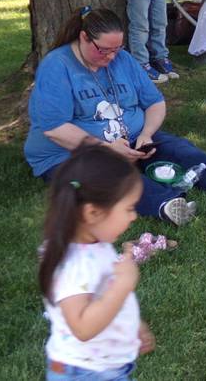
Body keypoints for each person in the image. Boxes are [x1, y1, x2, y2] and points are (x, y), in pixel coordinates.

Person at [24, 7, 206, 227]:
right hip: (68, 154)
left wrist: (145, 135)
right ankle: (166, 204)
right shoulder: (56, 66)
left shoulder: (122, 59)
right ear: (83, 37)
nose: (111, 57)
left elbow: (154, 102)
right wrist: (105, 149)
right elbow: (55, 129)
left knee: (178, 149)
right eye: (103, 50)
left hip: (128, 142)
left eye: (117, 49)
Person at [39, 144, 153, 380]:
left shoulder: (97, 245)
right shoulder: (73, 265)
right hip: (84, 373)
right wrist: (123, 286)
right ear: (92, 213)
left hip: (103, 366)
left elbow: (101, 295)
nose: (134, 216)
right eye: (129, 208)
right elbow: (82, 328)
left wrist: (133, 325)